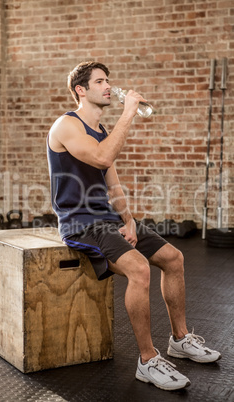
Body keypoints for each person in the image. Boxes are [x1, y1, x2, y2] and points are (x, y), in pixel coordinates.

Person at [47, 61, 221, 391]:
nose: (108, 86)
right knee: (140, 270)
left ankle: (180, 339)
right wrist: (128, 113)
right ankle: (147, 359)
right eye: (100, 82)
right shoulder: (66, 126)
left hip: (109, 220)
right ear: (81, 90)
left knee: (174, 259)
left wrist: (128, 220)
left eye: (108, 81)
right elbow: (100, 158)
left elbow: (112, 183)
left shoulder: (100, 132)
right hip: (81, 223)